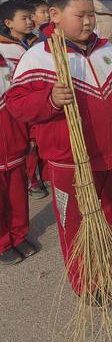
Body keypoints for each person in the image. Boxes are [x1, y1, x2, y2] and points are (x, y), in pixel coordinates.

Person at [6, 0, 112, 292]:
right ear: (54, 15)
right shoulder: (39, 57)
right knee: (75, 224)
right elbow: (16, 104)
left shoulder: (107, 50)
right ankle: (86, 281)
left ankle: (111, 265)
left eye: (91, 14)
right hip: (70, 163)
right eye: (79, 16)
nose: (88, 22)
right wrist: (49, 99)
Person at [0, 0, 47, 199]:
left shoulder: (36, 43)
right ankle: (32, 181)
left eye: (31, 17)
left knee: (34, 140)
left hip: (35, 98)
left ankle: (38, 177)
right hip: (15, 105)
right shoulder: (4, 49)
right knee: (23, 146)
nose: (30, 21)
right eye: (24, 18)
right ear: (9, 23)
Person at [0, 51, 35, 265]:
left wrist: (30, 135)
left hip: (15, 146)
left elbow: (25, 104)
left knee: (18, 198)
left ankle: (19, 236)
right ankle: (3, 244)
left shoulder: (10, 66)